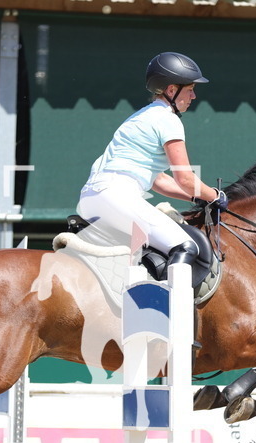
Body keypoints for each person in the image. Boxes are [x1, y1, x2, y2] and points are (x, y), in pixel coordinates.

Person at [76, 52, 227, 276]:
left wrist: (196, 197)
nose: (194, 96)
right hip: (116, 196)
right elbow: (184, 178)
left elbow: (158, 180)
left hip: (91, 200)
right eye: (190, 89)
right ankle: (167, 309)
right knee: (186, 246)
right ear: (172, 90)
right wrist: (216, 196)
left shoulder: (141, 117)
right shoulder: (168, 119)